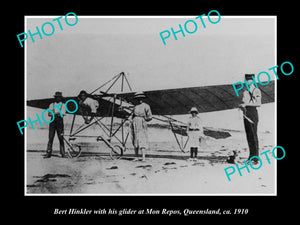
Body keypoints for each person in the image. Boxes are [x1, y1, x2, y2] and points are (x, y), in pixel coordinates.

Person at [239, 74, 262, 164]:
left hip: (253, 113)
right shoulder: (245, 92)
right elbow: (244, 102)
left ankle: (256, 158)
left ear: (253, 80)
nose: (247, 82)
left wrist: (246, 104)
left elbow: (258, 103)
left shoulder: (256, 90)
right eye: (246, 80)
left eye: (249, 80)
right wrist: (242, 106)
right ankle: (251, 155)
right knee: (249, 136)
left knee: (253, 135)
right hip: (246, 113)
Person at [131, 92, 152, 162]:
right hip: (134, 124)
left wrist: (144, 119)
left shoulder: (146, 106)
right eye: (137, 99)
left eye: (141, 98)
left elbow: (150, 117)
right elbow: (132, 115)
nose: (139, 100)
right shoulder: (135, 106)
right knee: (135, 139)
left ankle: (143, 158)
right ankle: (136, 157)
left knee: (142, 139)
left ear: (143, 99)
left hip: (142, 124)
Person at [45, 91, 66, 158]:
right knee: (50, 138)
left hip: (59, 122)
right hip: (52, 122)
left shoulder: (63, 105)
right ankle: (48, 153)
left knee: (61, 138)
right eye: (56, 97)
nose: (57, 98)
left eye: (59, 97)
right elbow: (49, 114)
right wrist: (57, 113)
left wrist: (54, 113)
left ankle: (63, 153)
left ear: (61, 98)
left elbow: (62, 114)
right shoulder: (51, 104)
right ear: (55, 97)